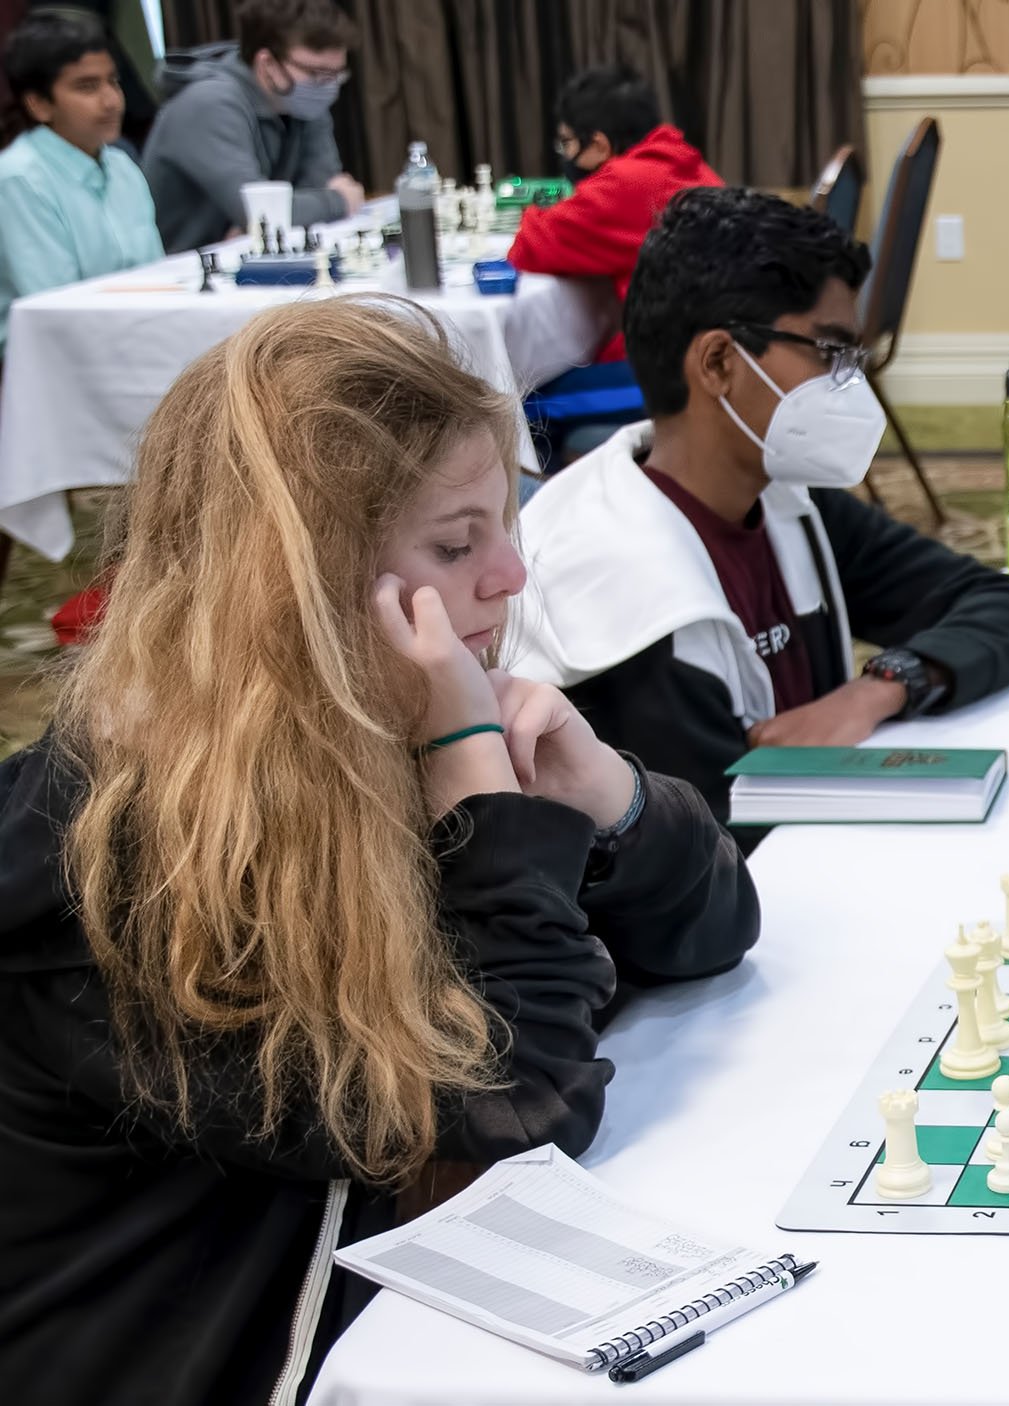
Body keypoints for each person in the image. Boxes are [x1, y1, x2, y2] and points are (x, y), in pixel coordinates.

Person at [0, 295, 758, 1403]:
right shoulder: (126, 873)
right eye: (458, 543)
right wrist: (482, 799)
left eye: (507, 523)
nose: (512, 576)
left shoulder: (357, 730)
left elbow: (712, 930)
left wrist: (608, 800)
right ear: (295, 591)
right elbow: (515, 1110)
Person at [504, 187, 1009, 835]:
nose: (847, 383)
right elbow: (720, 850)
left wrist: (877, 688)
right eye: (829, 353)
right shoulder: (625, 596)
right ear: (718, 363)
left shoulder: (783, 499)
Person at [507, 64, 722, 364]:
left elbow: (528, 248)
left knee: (530, 394)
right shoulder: (684, 162)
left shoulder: (625, 183)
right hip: (712, 353)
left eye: (567, 143)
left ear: (598, 144)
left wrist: (532, 213)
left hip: (667, 366)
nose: (565, 155)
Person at [0, 8, 164, 354]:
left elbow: (157, 278)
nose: (111, 100)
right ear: (39, 104)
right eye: (87, 87)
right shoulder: (18, 178)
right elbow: (57, 309)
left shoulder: (122, 166)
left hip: (132, 339)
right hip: (51, 362)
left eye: (113, 81)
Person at [140, 0, 363, 253]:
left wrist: (279, 215)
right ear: (267, 63)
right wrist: (338, 201)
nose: (328, 87)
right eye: (316, 74)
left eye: (336, 75)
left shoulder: (302, 100)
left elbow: (320, 184)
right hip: (180, 269)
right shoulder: (210, 103)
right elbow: (260, 213)